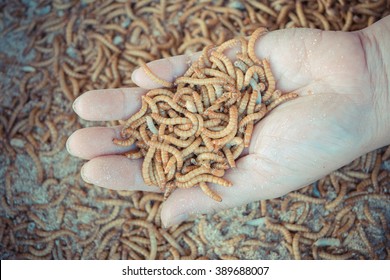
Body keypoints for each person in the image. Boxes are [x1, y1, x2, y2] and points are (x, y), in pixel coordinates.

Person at [66, 16, 390, 228]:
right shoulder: (180, 119)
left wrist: (375, 65)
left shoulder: (236, 95)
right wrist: (374, 61)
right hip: (203, 129)